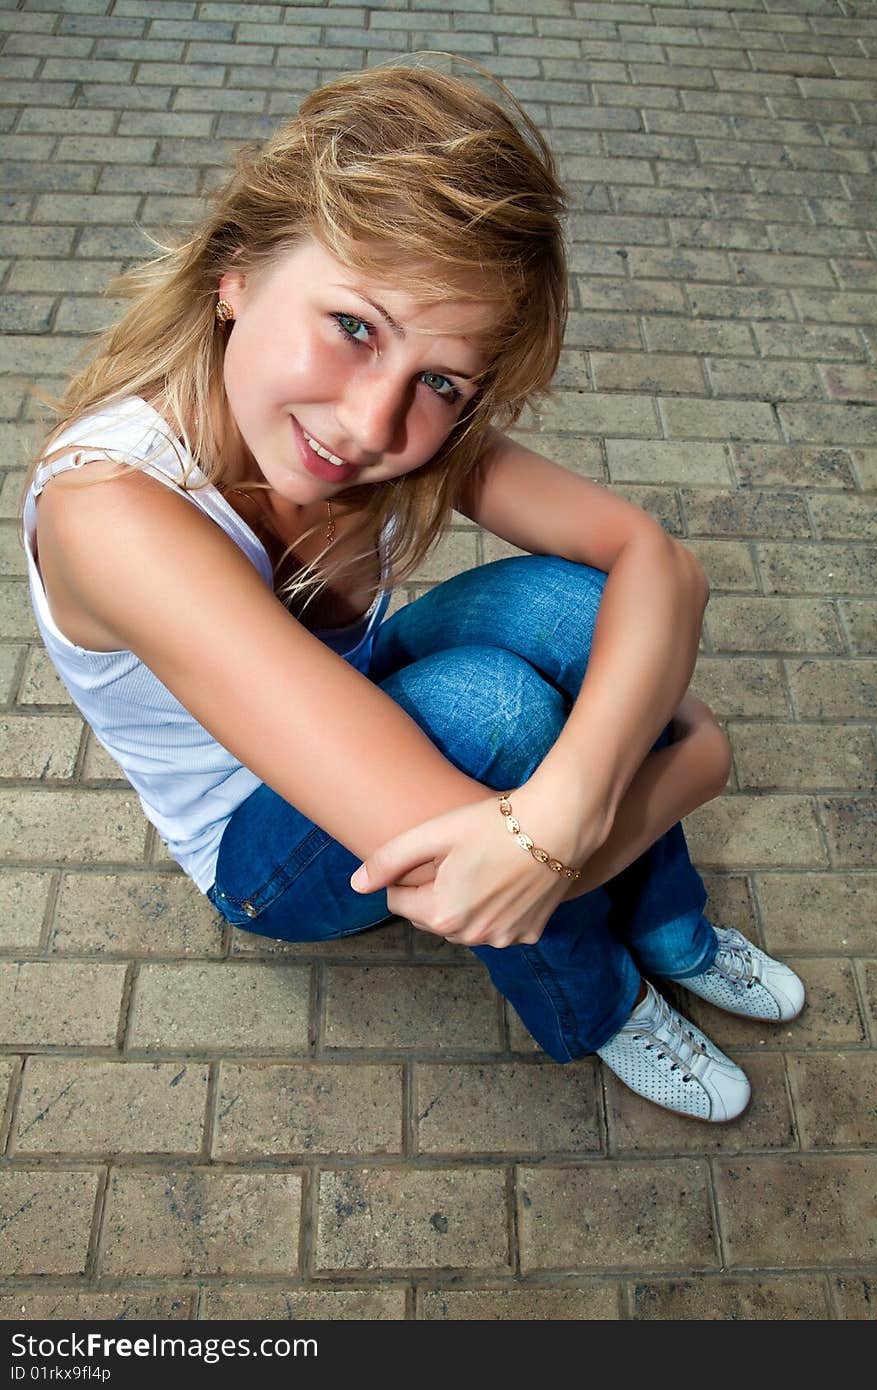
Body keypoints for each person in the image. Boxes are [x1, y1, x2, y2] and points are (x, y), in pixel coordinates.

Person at [20, 60, 803, 1123]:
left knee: (578, 608)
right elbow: (462, 885)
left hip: (358, 702)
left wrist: (565, 809)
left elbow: (657, 561)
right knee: (504, 711)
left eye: (440, 381)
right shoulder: (109, 511)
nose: (374, 427)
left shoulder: (388, 428)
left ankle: (671, 930)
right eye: (352, 325)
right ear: (235, 272)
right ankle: (600, 1004)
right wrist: (689, 760)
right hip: (256, 842)